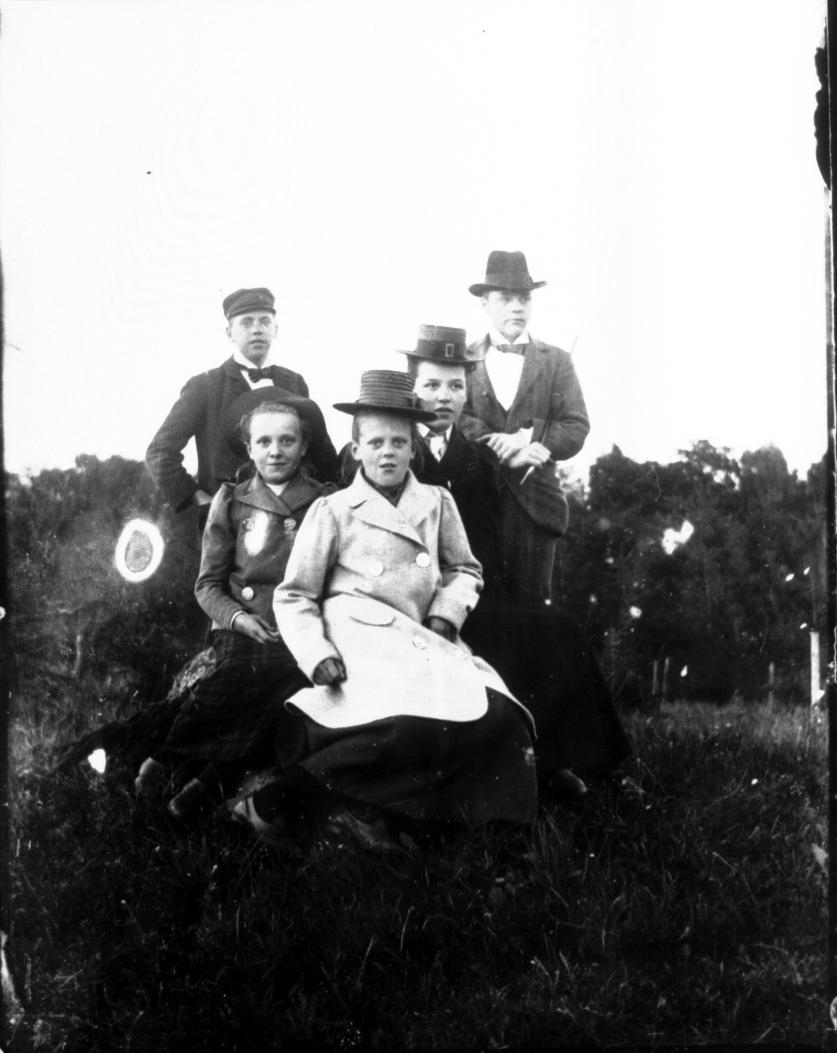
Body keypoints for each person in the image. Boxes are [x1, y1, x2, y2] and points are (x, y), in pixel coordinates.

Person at [236, 370, 538, 852]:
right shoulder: (333, 510)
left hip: (423, 637)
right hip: (361, 641)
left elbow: (465, 568)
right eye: (375, 443)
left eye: (399, 442)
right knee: (407, 723)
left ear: (414, 448)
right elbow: (294, 595)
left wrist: (447, 610)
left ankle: (480, 833)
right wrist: (316, 653)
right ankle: (279, 802)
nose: (388, 453)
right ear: (356, 450)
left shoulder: (438, 503)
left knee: (497, 713)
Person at [402, 325, 630, 797]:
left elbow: (483, 549)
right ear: (412, 387)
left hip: (463, 600)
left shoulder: (477, 458)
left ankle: (593, 765)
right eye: (432, 384)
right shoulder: (395, 448)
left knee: (555, 628)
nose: (444, 397)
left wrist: (481, 597)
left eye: (456, 386)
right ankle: (537, 767)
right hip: (404, 602)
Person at [134, 391, 333, 820]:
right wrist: (239, 619)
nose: (275, 451)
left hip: (298, 628)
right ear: (248, 448)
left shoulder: (324, 501)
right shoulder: (232, 499)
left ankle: (204, 789)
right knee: (240, 677)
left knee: (287, 698)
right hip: (243, 626)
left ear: (304, 446)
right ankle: (164, 759)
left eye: (287, 440)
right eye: (264, 442)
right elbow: (207, 585)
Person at [460, 251, 590, 604]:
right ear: (485, 303)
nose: (517, 307)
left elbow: (576, 424)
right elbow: (455, 418)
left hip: (535, 511)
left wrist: (528, 437)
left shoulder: (557, 361)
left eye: (524, 298)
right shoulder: (462, 360)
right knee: (475, 610)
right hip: (474, 508)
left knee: (531, 619)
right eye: (506, 298)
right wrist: (497, 447)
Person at [146, 286, 337, 524]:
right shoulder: (205, 386)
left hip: (293, 517)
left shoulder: (294, 382)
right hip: (230, 521)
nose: (257, 329)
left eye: (264, 321)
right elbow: (160, 452)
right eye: (246, 323)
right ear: (230, 332)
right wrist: (201, 499)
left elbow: (318, 451)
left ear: (275, 329)